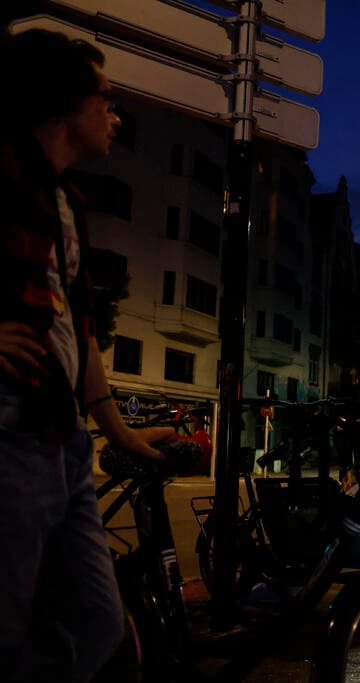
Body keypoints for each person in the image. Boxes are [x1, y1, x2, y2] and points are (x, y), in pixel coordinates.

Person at [0, 29, 173, 682]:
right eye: (106, 98)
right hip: (11, 432)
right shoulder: (5, 168)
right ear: (64, 103)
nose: (115, 114)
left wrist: (118, 431)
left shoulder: (68, 199)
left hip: (64, 438)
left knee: (98, 621)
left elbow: (81, 330)